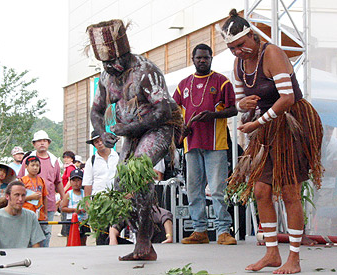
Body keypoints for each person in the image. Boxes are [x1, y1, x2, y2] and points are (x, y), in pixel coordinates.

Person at [219, 9, 323, 274]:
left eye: (241, 45)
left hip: (292, 124)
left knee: (289, 192)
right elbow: (244, 105)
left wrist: (258, 122)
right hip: (266, 129)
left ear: (252, 36)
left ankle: (295, 258)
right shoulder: (239, 64)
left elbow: (287, 98)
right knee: (261, 192)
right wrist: (243, 106)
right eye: (232, 48)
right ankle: (272, 254)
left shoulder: (272, 53)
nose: (238, 52)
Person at [87, 19, 182, 260]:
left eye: (111, 61)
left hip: (158, 128)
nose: (108, 67)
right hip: (130, 131)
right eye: (104, 63)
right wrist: (103, 132)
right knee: (121, 184)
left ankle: (144, 236)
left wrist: (131, 127)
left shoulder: (145, 72)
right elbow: (96, 111)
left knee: (138, 171)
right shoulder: (107, 78)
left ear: (124, 54)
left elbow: (163, 111)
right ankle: (143, 241)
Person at [172, 43, 237, 245]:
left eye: (206, 57)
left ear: (211, 59)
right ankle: (200, 230)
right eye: (199, 57)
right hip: (191, 143)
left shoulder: (221, 81)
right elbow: (174, 113)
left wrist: (214, 115)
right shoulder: (183, 85)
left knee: (218, 189)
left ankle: (223, 231)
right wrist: (181, 129)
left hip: (216, 143)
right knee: (193, 189)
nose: (202, 60)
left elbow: (234, 110)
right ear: (193, 59)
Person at [18, 130, 65, 247]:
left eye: (44, 141)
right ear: (34, 144)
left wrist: (64, 198)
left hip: (48, 203)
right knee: (27, 231)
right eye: (39, 141)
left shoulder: (54, 161)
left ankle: (44, 255)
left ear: (48, 143)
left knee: (46, 232)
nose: (42, 143)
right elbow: (19, 182)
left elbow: (58, 182)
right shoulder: (27, 160)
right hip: (28, 205)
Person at [82, 130, 119, 245]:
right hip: (99, 202)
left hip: (117, 200)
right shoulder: (91, 161)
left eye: (101, 140)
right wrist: (88, 203)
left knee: (117, 230)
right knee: (101, 233)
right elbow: (88, 183)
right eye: (96, 142)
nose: (99, 143)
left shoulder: (118, 157)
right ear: (93, 145)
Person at [0, 181, 45, 248]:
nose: (20, 199)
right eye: (16, 195)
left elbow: (36, 243)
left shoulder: (31, 216)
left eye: (23, 195)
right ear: (7, 196)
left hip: (24, 257)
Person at [21, 156, 48, 247]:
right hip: (26, 213)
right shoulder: (22, 180)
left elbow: (45, 197)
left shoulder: (41, 180)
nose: (35, 168)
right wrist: (30, 197)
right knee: (26, 238)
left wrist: (45, 213)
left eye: (37, 165)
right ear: (26, 166)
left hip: (39, 214)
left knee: (38, 238)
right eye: (32, 165)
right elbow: (18, 198)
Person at [61, 169, 90, 246]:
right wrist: (74, 210)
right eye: (73, 180)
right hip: (71, 220)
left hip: (83, 220)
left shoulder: (85, 193)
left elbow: (89, 205)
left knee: (83, 241)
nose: (76, 183)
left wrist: (85, 209)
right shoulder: (68, 194)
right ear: (70, 182)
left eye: (78, 180)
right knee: (70, 240)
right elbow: (63, 208)